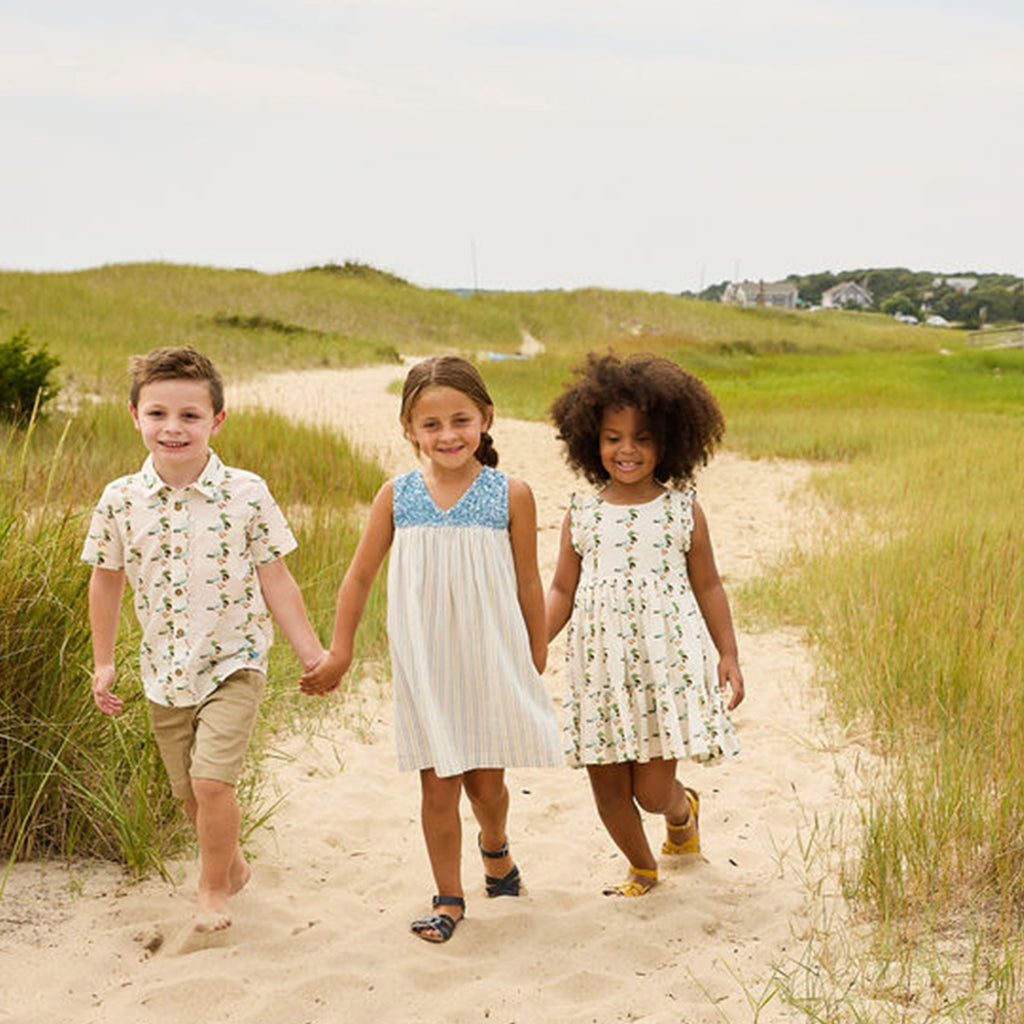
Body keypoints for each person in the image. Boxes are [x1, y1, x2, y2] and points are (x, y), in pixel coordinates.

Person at [301, 355, 562, 943]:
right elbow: (359, 577)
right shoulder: (396, 496)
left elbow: (527, 579)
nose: (448, 435)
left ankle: (495, 847)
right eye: (432, 425)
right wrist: (340, 651)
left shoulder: (510, 493)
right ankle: (448, 897)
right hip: (426, 664)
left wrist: (534, 649)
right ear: (409, 429)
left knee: (487, 785)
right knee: (437, 784)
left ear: (486, 419)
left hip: (491, 658)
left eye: (461, 420)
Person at [82, 346, 326, 933]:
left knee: (212, 782)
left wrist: (312, 653)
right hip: (163, 670)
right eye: (158, 413)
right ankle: (233, 865)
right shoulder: (120, 499)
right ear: (134, 416)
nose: (173, 427)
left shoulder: (246, 492)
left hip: (234, 663)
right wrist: (104, 662)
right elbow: (106, 579)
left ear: (216, 420)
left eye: (189, 415)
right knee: (189, 797)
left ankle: (212, 889)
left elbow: (277, 577)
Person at [545, 351, 744, 898]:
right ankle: (642, 866)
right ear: (591, 440)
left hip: (664, 668)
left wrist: (728, 654)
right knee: (607, 786)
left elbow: (709, 586)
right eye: (612, 438)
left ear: (670, 443)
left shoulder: (684, 512)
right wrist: (531, 642)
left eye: (642, 438)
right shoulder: (581, 514)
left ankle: (683, 811)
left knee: (652, 793)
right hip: (599, 671)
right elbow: (562, 590)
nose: (626, 451)